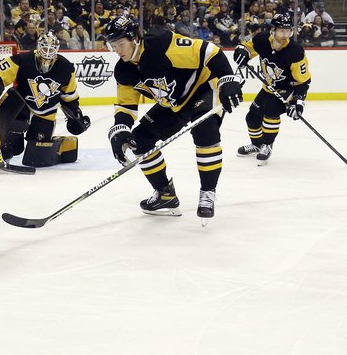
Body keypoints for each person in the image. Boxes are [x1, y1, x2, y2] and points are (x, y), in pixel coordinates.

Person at [103, 15, 243, 219]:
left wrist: (227, 79)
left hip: (202, 89)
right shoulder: (124, 71)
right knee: (140, 141)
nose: (117, 51)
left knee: (205, 131)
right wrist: (120, 130)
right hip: (173, 104)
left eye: (120, 44)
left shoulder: (162, 44)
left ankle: (207, 193)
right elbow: (126, 105)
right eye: (113, 46)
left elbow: (209, 51)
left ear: (134, 37)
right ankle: (165, 194)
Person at [0, 32, 91, 167]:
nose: (47, 52)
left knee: (36, 157)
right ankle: (3, 151)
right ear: (38, 46)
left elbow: (69, 97)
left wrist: (75, 113)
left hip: (46, 114)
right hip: (20, 107)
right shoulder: (23, 60)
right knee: (11, 146)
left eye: (51, 49)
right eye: (44, 48)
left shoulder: (65, 68)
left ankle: (63, 144)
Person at [233, 13, 312, 166]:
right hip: (268, 88)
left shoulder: (295, 51)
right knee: (251, 118)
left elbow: (303, 81)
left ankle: (267, 145)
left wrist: (298, 101)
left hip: (287, 89)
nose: (285, 35)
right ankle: (257, 144)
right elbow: (246, 47)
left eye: (288, 31)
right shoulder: (261, 39)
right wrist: (241, 52)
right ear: (273, 30)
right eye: (281, 31)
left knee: (271, 112)